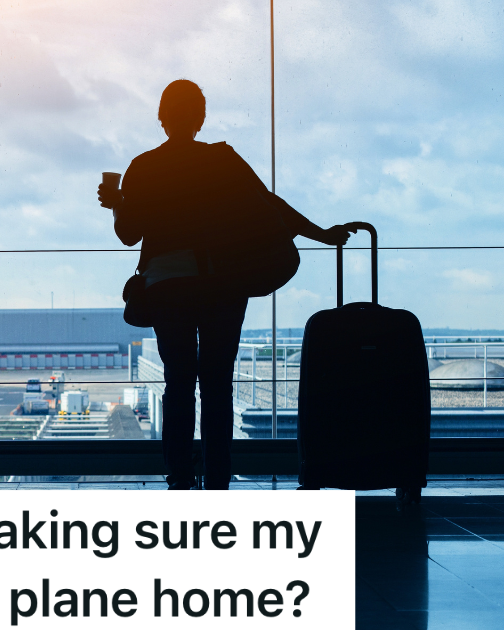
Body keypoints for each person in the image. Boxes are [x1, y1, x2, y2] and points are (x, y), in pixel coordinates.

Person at [98, 79, 350, 490]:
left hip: (168, 285)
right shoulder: (222, 159)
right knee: (218, 384)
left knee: (179, 384)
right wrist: (322, 233)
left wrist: (119, 203)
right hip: (221, 284)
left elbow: (128, 235)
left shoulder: (143, 166)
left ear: (161, 117)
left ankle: (179, 476)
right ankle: (217, 478)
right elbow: (271, 205)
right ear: (200, 118)